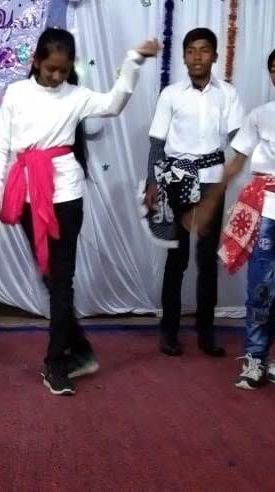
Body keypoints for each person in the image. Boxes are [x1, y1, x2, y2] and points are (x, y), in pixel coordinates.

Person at [0, 28, 159, 396]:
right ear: (35, 61)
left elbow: (113, 104)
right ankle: (80, 349)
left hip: (66, 196)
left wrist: (134, 60)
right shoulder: (16, 93)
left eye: (63, 70)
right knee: (51, 278)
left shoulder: (76, 96)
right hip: (27, 195)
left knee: (61, 280)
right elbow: (0, 148)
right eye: (50, 68)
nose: (56, 76)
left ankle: (55, 362)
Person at [144, 28, 244, 357]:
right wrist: (152, 181)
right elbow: (157, 142)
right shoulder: (171, 94)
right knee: (177, 257)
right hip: (176, 178)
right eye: (191, 50)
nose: (197, 56)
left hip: (212, 179)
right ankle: (169, 331)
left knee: (207, 259)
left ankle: (206, 333)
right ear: (184, 56)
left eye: (203, 50)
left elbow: (239, 138)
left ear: (215, 56)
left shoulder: (227, 94)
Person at [188, 49, 275, 389]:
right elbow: (237, 160)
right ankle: (255, 357)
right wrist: (212, 199)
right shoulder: (260, 116)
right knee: (261, 286)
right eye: (273, 68)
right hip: (267, 209)